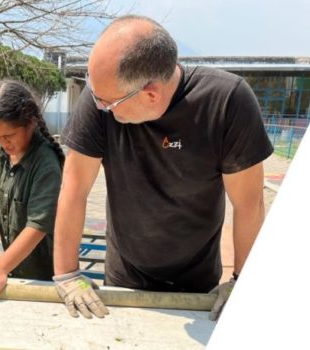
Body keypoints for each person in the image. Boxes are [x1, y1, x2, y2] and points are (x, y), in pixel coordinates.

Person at [52, 15, 273, 320]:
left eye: (108, 105)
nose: (99, 106)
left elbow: (249, 203)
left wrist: (242, 281)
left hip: (197, 279)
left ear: (150, 94)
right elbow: (74, 190)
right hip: (125, 275)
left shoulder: (226, 102)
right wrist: (67, 274)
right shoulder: (100, 99)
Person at [0, 80, 64, 302]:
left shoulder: (46, 163)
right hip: (15, 273)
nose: (2, 143)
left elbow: (37, 226)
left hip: (44, 279)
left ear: (31, 123)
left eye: (9, 136)